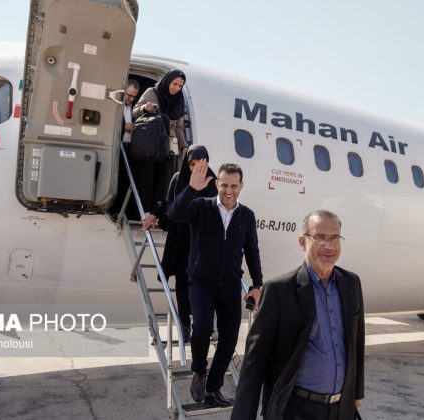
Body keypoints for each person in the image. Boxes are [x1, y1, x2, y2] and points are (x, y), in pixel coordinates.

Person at [231, 210, 365, 420]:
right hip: (297, 409)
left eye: (335, 238)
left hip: (342, 409)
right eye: (320, 237)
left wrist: (356, 392)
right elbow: (254, 363)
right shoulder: (278, 291)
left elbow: (357, 341)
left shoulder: (351, 284)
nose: (329, 246)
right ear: (303, 242)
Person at [168, 161, 263, 407]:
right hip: (200, 282)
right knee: (201, 327)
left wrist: (257, 284)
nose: (228, 190)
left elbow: (252, 251)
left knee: (230, 338)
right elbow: (175, 214)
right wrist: (191, 188)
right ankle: (199, 371)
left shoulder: (247, 216)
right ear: (217, 184)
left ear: (241, 186)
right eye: (224, 185)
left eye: (234, 185)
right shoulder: (201, 206)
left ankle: (214, 387)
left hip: (230, 284)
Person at [142, 145, 218, 342]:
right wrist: (153, 215)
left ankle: (202, 325)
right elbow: (168, 203)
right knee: (183, 284)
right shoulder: (178, 178)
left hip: (202, 239)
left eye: (199, 164)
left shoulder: (213, 182)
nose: (195, 168)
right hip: (181, 238)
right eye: (192, 164)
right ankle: (184, 326)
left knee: (202, 283)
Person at [133, 69, 189, 170]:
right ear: (168, 80)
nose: (176, 88)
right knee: (147, 177)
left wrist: (183, 146)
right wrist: (145, 108)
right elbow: (134, 113)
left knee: (165, 180)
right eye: (174, 84)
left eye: (180, 86)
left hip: (170, 146)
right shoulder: (151, 93)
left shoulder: (179, 101)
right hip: (150, 143)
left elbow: (178, 128)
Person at [109, 79, 140, 219]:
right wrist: (124, 127)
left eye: (134, 96)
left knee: (125, 181)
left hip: (128, 149)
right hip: (116, 149)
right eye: (129, 95)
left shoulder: (131, 109)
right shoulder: (115, 106)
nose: (131, 98)